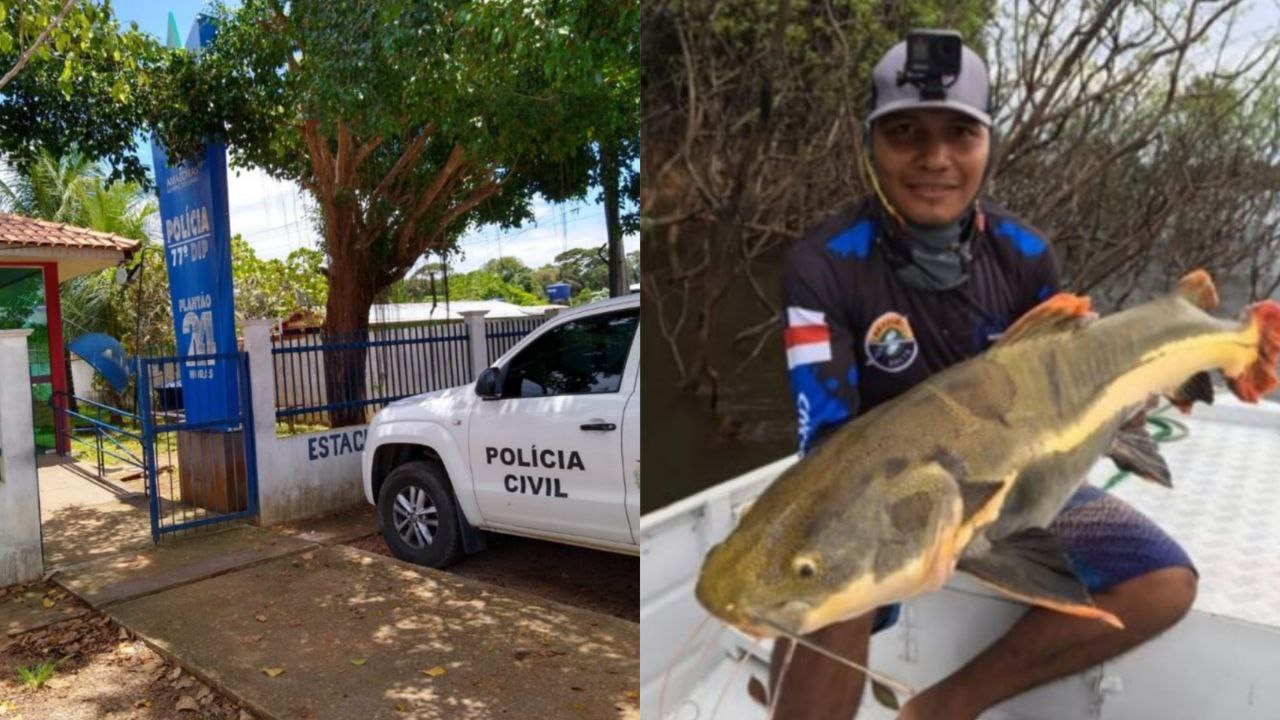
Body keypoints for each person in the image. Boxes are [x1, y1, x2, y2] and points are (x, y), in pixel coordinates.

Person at [764, 32, 1199, 720]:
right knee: (823, 578)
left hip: (1014, 487)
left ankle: (943, 706)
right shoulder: (824, 264)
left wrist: (1125, 407)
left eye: (960, 133)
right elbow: (826, 443)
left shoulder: (1025, 254)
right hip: (882, 500)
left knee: (1165, 583)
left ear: (988, 142)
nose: (935, 158)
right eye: (905, 132)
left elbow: (1059, 396)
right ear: (870, 143)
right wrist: (912, 535)